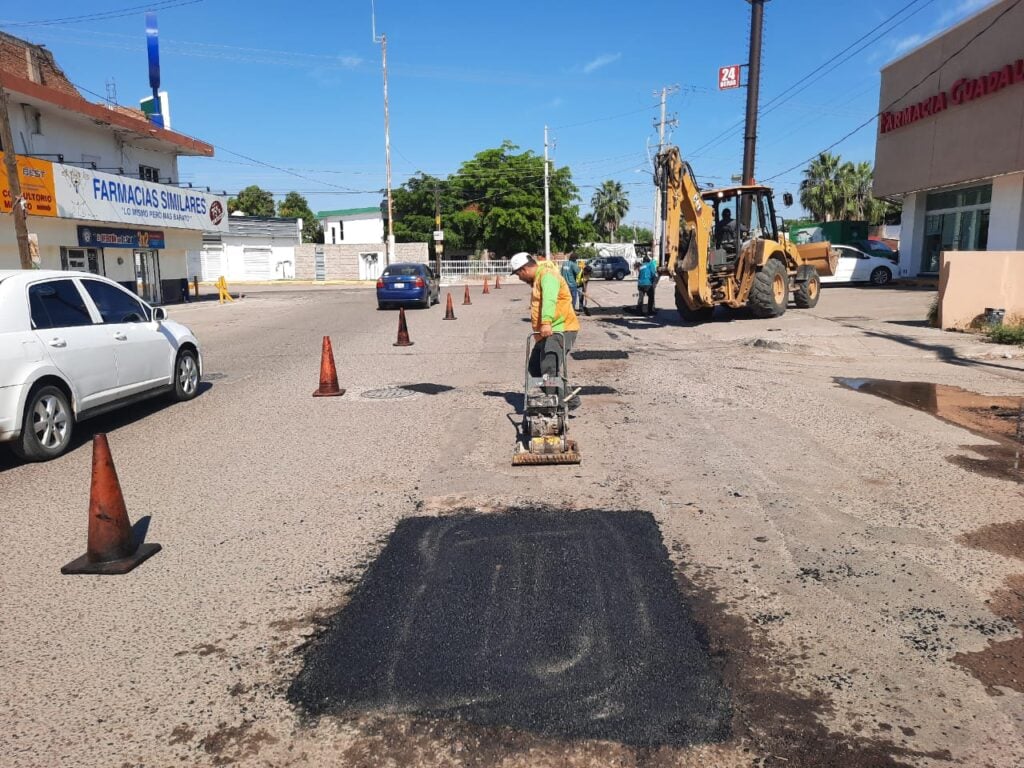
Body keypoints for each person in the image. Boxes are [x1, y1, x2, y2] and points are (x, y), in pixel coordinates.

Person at [509, 252, 580, 407]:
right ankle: (565, 397)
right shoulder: (539, 277)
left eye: (518, 275)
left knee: (549, 367)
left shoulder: (547, 276)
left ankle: (560, 403)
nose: (519, 278)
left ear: (524, 270)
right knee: (535, 367)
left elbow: (550, 298)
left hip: (560, 328)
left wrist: (546, 321)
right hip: (546, 332)